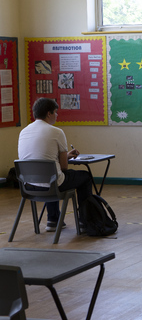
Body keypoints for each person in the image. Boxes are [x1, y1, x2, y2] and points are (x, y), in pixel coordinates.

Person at [18, 97, 92, 232]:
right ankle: (84, 222)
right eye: (56, 112)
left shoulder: (23, 132)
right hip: (51, 184)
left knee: (49, 174)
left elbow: (41, 157)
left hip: (29, 185)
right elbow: (64, 167)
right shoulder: (57, 132)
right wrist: (65, 158)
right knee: (84, 177)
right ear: (48, 114)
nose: (57, 115)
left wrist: (63, 156)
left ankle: (53, 219)